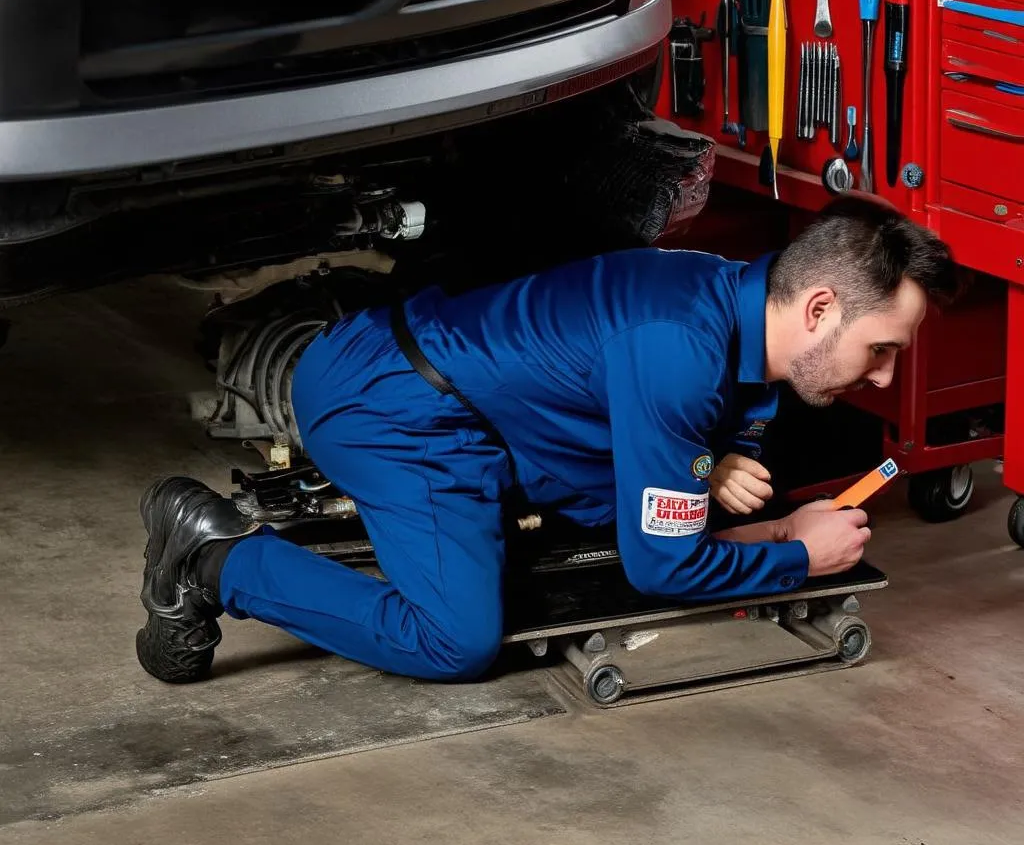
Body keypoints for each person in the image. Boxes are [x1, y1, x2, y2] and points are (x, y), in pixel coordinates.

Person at [135, 198, 957, 685]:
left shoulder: (736, 309)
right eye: (880, 349)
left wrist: (769, 521)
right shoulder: (681, 348)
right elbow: (660, 565)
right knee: (454, 640)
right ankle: (213, 557)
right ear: (818, 309)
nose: (885, 378)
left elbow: (674, 495)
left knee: (622, 512)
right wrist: (798, 558)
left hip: (462, 396)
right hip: (393, 405)